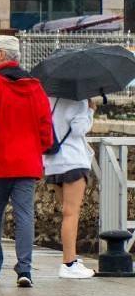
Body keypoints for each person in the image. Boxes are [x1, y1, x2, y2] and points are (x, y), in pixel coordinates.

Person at [0, 35, 52, 287]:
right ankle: (25, 269)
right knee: (25, 216)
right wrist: (36, 150)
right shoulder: (35, 87)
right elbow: (46, 130)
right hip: (26, 164)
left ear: (2, 55)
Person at [44, 95, 96, 279]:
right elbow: (79, 129)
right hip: (73, 161)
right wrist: (89, 110)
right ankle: (68, 263)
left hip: (53, 163)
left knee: (66, 213)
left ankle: (70, 258)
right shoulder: (79, 101)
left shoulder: (49, 99)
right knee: (72, 213)